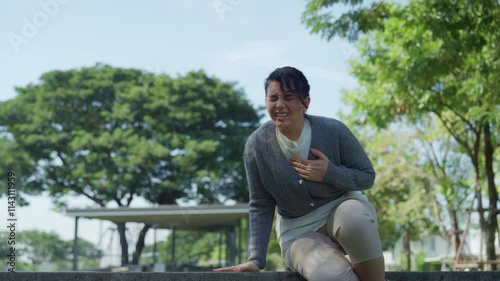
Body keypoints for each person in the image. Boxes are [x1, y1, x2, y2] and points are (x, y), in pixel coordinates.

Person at [213, 66, 385, 281]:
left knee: (354, 218)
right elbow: (260, 203)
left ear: (306, 102)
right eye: (273, 98)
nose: (279, 105)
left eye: (289, 97)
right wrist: (256, 259)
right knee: (330, 277)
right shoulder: (257, 146)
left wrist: (330, 173)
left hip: (342, 212)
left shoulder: (334, 131)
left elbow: (367, 176)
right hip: (298, 232)